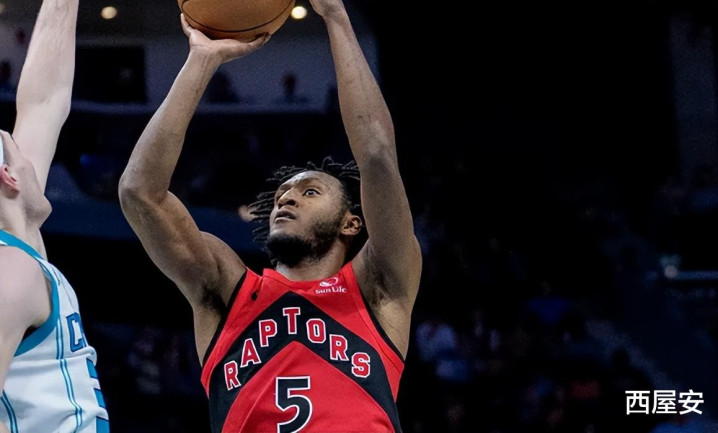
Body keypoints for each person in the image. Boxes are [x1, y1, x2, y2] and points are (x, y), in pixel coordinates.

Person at [118, 0, 422, 431]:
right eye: (281, 195)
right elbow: (139, 193)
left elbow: (376, 154)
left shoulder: (377, 289)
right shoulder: (226, 290)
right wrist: (201, 61)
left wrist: (335, 16)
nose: (286, 200)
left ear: (350, 223)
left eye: (309, 191)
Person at [0, 0, 111, 432]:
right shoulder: (10, 274)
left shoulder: (20, 249)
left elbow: (45, 101)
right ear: (9, 177)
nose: (33, 162)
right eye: (20, 156)